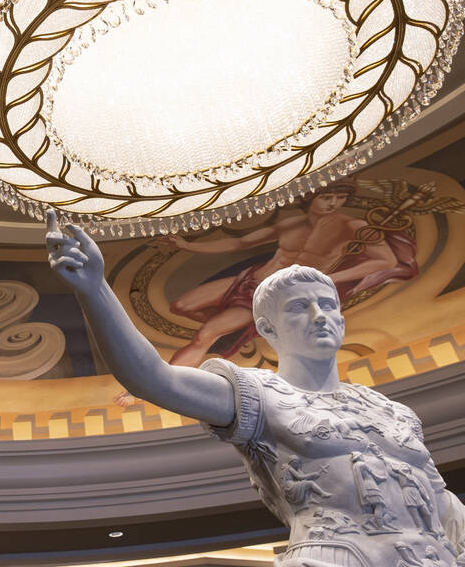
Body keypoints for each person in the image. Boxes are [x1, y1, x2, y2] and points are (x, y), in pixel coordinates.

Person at [45, 211, 465, 566]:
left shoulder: (391, 411)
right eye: (301, 306)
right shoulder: (256, 393)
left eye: (330, 305)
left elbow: (442, 500)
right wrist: (96, 290)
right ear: (266, 327)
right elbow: (155, 379)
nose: (321, 315)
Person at [113, 181, 417, 406]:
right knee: (181, 305)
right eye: (327, 196)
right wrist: (188, 246)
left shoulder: (353, 226)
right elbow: (239, 244)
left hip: (268, 295)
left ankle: (152, 385)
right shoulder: (291, 223)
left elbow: (386, 260)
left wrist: (324, 278)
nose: (333, 202)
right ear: (312, 198)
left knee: (205, 335)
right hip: (249, 278)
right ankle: (245, 330)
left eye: (339, 197)